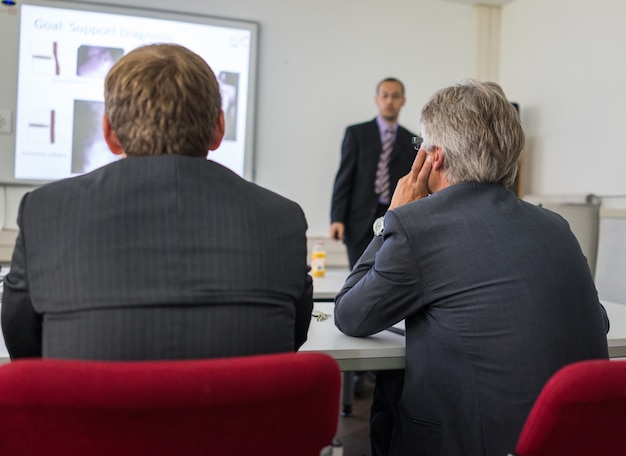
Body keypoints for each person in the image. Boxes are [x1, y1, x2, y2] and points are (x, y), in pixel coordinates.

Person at [334, 79, 610, 456]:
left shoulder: (418, 225)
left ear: (435, 157)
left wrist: (393, 215)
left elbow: (351, 314)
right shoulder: (557, 226)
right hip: (574, 440)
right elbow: (598, 321)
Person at [1, 44, 313, 361]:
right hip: (237, 410)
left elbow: (24, 349)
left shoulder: (45, 210)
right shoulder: (283, 218)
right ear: (219, 129)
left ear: (109, 133)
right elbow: (292, 338)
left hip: (94, 409)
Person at [330, 77, 418, 268]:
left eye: (395, 96)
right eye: (384, 96)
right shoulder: (357, 133)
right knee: (357, 277)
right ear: (376, 99)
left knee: (386, 273)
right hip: (358, 222)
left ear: (403, 100)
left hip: (393, 219)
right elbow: (344, 177)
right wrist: (337, 218)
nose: (389, 101)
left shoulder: (412, 141)